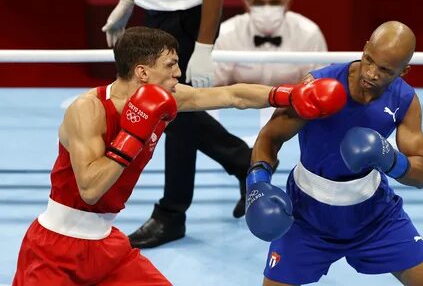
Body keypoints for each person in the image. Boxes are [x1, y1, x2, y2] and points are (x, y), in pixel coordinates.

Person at [12, 26, 343, 285]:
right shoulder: (88, 110)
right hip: (54, 250)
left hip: (105, 246)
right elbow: (90, 188)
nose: (178, 73)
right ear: (142, 72)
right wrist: (132, 135)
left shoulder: (168, 99)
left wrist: (287, 95)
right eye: (170, 65)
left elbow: (231, 95)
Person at [245, 21, 423, 285]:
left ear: (403, 71)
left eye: (385, 70)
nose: (371, 74)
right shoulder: (320, 85)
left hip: (375, 216)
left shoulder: (404, 100)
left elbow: (422, 174)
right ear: (364, 49)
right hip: (307, 217)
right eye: (369, 60)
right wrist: (257, 184)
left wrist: (390, 158)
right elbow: (270, 137)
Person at [102, 0, 253, 249]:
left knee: (173, 112)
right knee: (174, 113)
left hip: (186, 18)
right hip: (155, 13)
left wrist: (204, 47)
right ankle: (246, 163)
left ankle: (172, 213)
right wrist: (126, 2)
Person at [214, 0, 328, 87]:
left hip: (293, 103)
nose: (267, 10)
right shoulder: (226, 33)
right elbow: (213, 86)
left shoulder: (308, 33)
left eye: (275, 3)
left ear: (287, 4)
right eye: (258, 3)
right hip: (239, 104)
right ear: (246, 5)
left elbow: (318, 86)